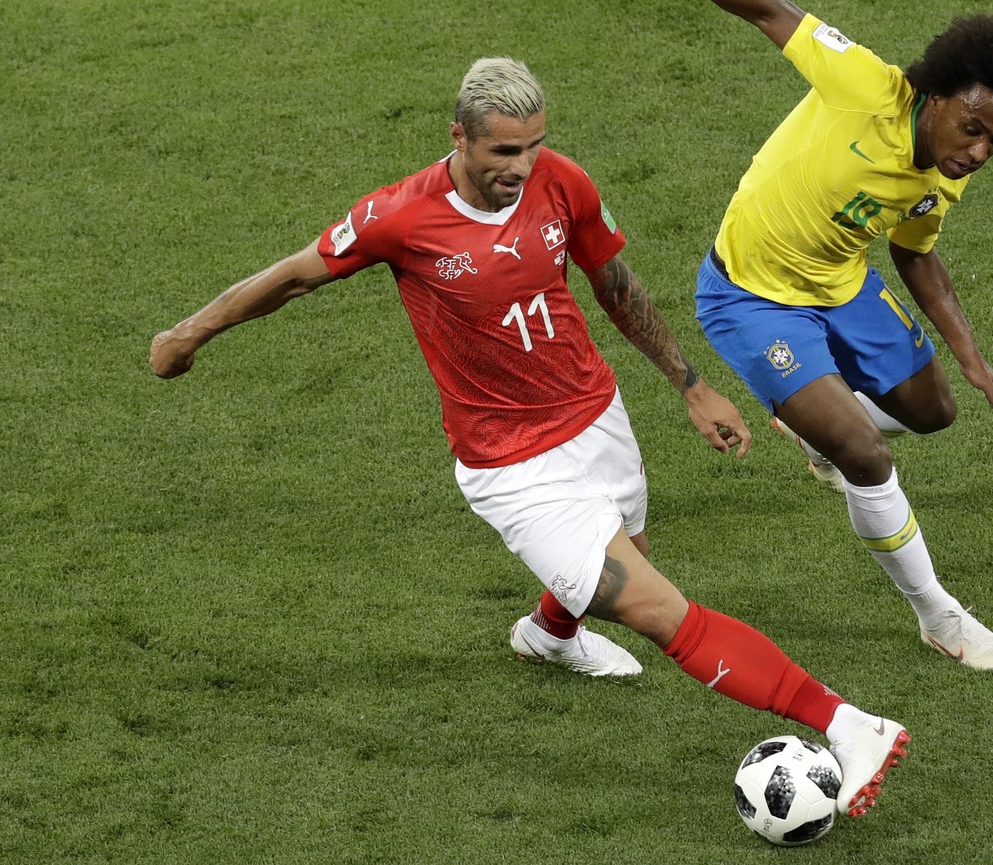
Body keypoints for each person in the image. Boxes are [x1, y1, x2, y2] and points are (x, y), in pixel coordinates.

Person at [149, 57, 908, 817]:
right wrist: (190, 333)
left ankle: (547, 635)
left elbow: (614, 283)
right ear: (460, 137)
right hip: (514, 465)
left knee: (629, 556)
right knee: (655, 608)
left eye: (533, 146)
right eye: (503, 152)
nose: (521, 167)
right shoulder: (400, 217)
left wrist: (690, 384)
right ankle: (848, 722)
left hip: (596, 417)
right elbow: (293, 276)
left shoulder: (561, 182)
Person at [696, 1, 993, 671]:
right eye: (973, 129)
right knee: (866, 454)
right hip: (752, 298)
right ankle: (940, 617)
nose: (979, 151)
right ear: (937, 97)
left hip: (843, 285)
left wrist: (972, 359)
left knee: (933, 412)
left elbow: (915, 253)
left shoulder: (947, 176)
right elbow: (771, 12)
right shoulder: (866, 87)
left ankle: (817, 434)